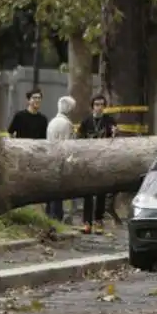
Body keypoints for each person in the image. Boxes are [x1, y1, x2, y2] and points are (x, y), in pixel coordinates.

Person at [7, 89, 53, 217]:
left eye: (39, 98)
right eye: (34, 98)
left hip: (37, 155)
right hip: (21, 153)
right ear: (28, 100)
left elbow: (44, 139)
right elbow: (10, 133)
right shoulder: (19, 116)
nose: (37, 100)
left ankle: (36, 211)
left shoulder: (43, 119)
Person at [77, 94, 118, 235]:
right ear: (92, 106)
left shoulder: (109, 121)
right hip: (88, 161)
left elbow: (114, 138)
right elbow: (79, 139)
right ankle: (86, 222)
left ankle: (98, 221)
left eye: (101, 104)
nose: (99, 107)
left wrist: (114, 133)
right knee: (87, 192)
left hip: (103, 160)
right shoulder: (86, 121)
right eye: (96, 104)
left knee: (101, 192)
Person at [46, 96, 77, 224]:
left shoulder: (52, 122)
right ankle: (57, 216)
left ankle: (49, 214)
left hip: (50, 157)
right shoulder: (67, 124)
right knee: (59, 190)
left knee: (50, 189)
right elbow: (68, 144)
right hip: (61, 159)